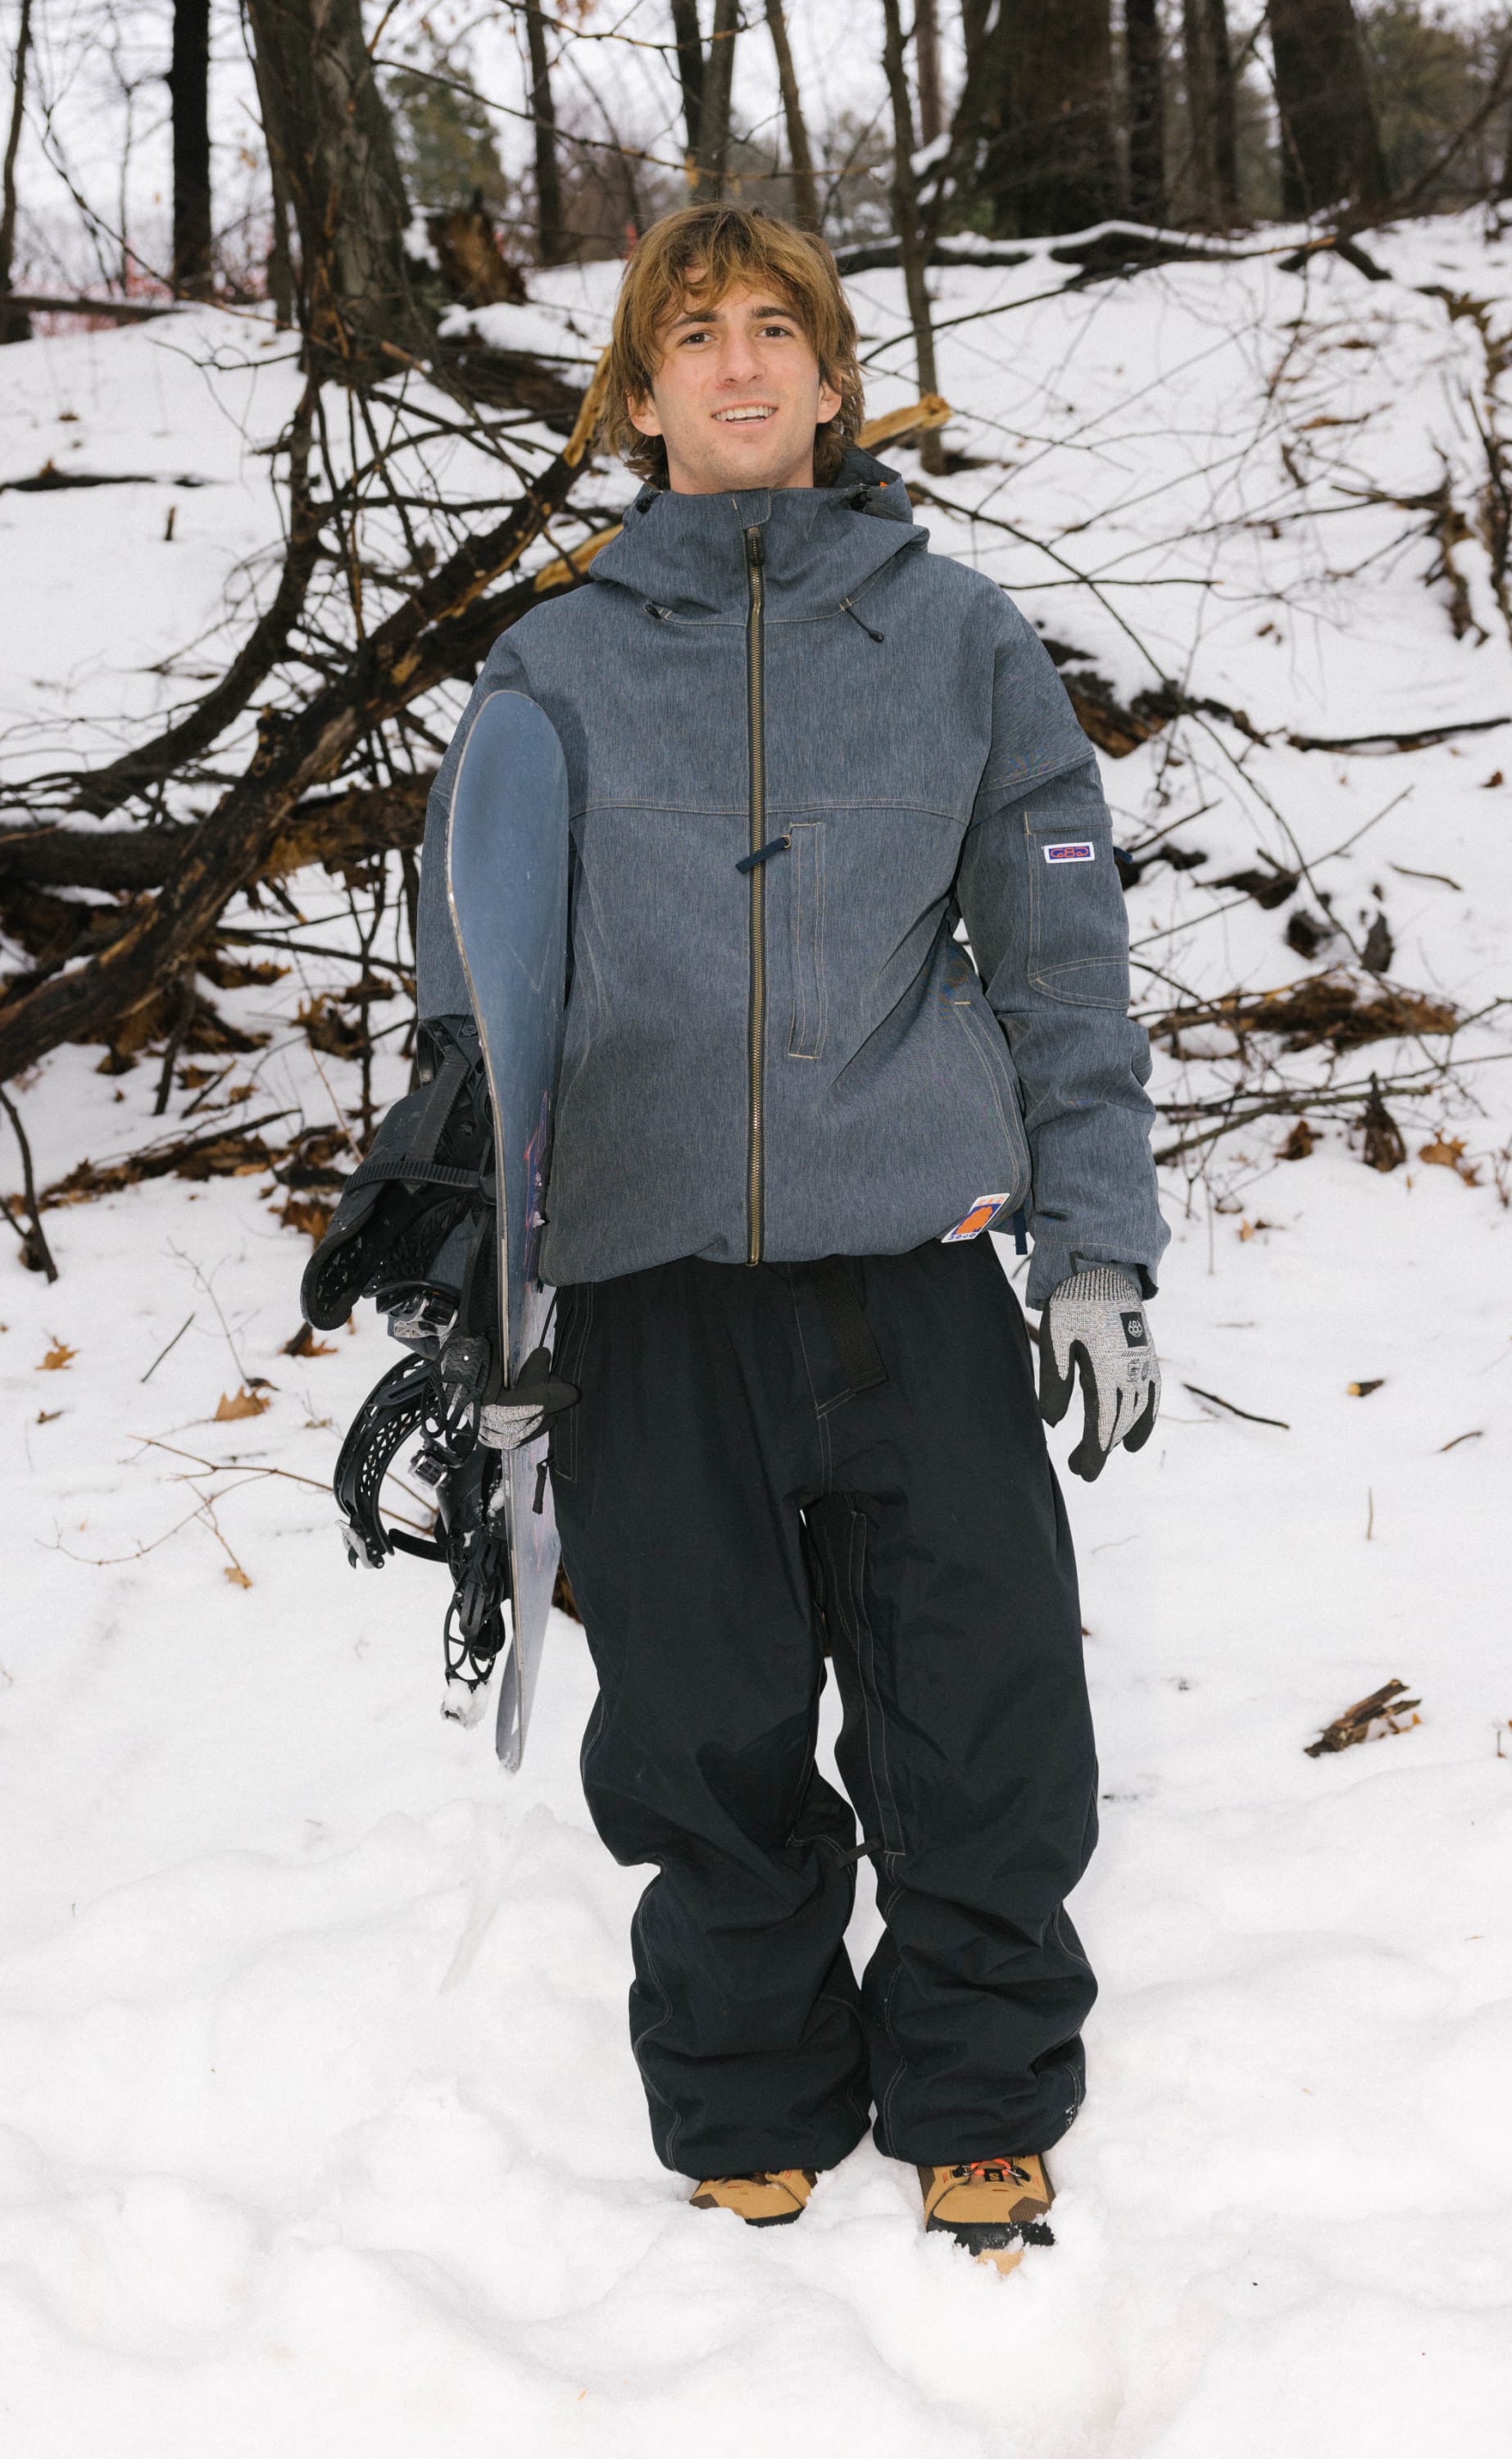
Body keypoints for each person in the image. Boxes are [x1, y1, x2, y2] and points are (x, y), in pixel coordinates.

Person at [415, 202, 1168, 2270]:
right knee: (699, 1721)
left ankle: (983, 2095)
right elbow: (467, 1014)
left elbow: (1061, 968)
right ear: (636, 392)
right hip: (650, 1298)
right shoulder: (546, 670)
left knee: (983, 1705)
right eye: (693, 336)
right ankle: (749, 2097)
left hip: (911, 1262)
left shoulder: (959, 644)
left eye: (777, 331)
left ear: (835, 380)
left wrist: (1092, 1246)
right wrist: (478, 1311)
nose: (739, 367)